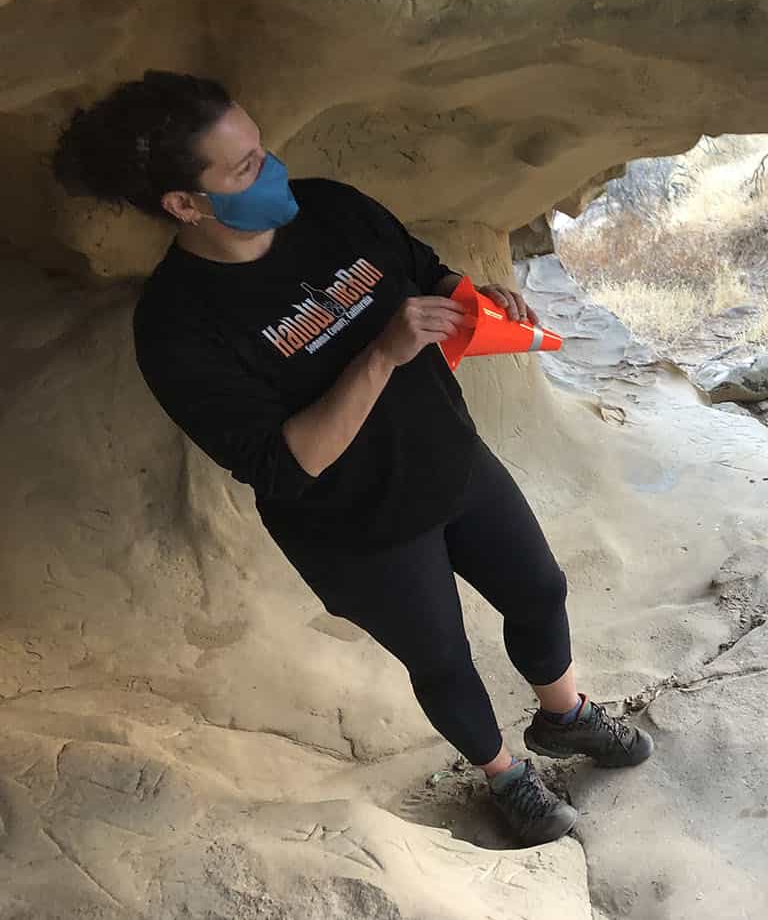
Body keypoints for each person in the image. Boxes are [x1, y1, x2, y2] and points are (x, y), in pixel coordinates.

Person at [51, 71, 652, 847]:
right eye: (243, 169)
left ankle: (566, 716)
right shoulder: (176, 326)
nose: (272, 173)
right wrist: (381, 354)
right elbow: (283, 465)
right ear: (184, 204)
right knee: (442, 659)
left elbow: (420, 266)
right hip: (354, 526)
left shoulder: (330, 207)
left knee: (538, 588)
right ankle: (507, 776)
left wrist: (476, 296)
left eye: (262, 150)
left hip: (449, 457)